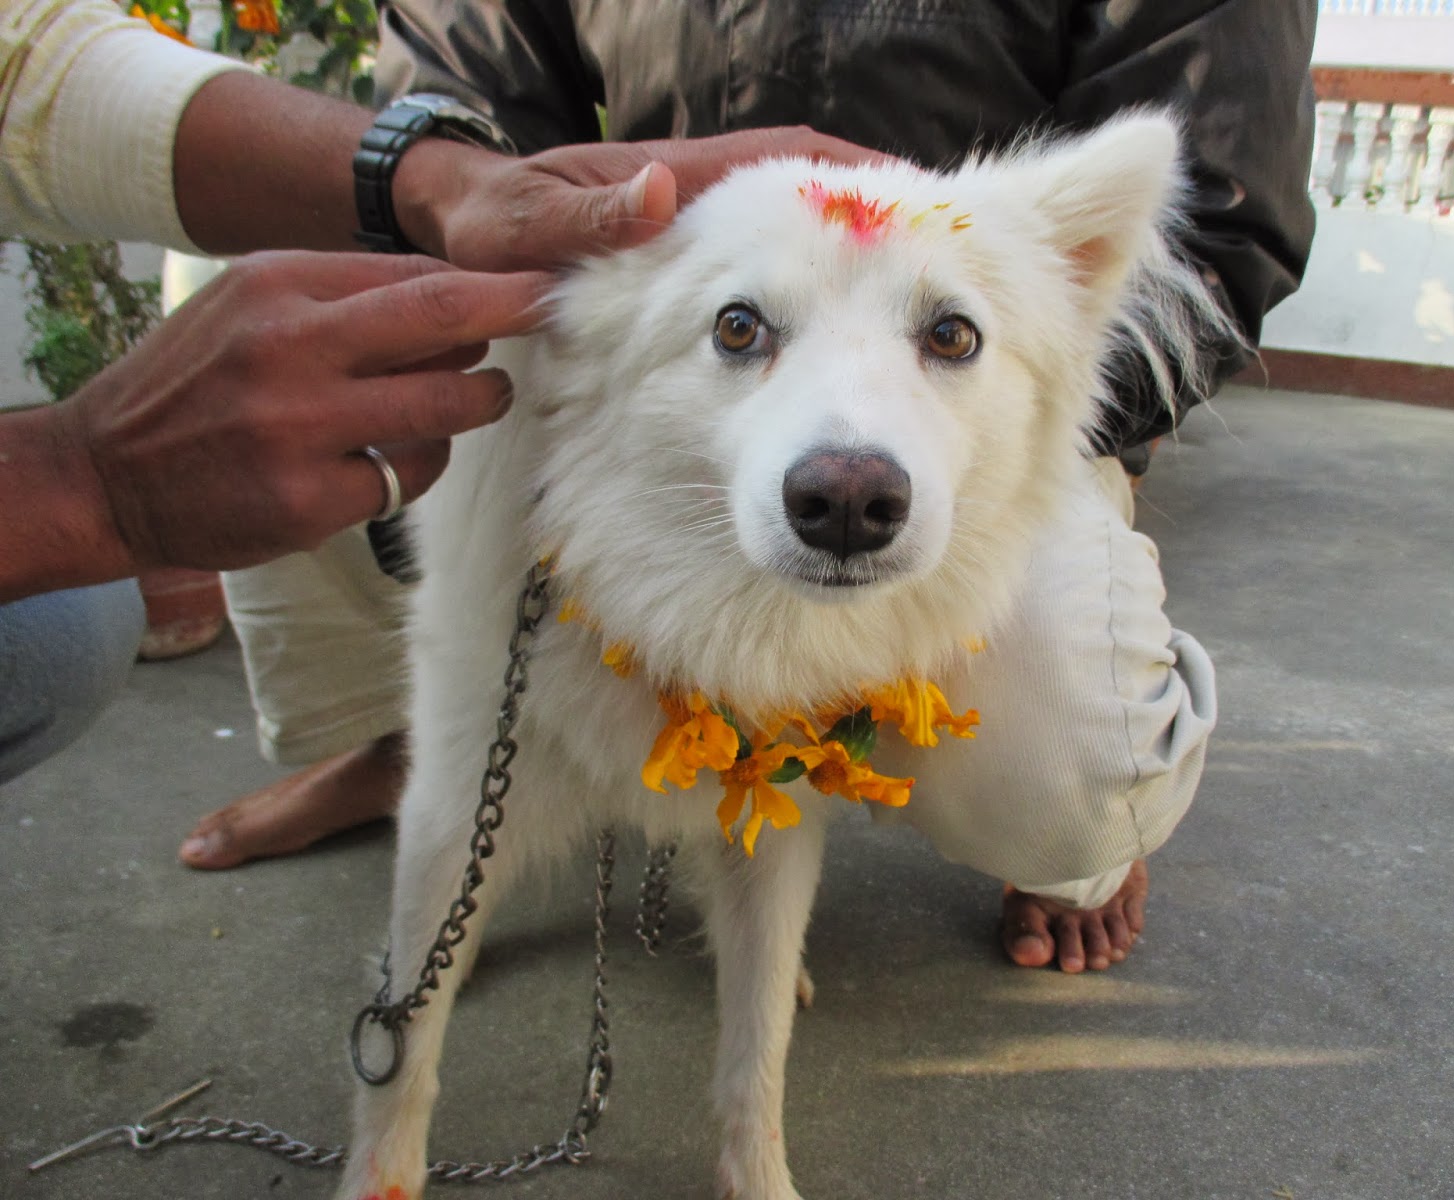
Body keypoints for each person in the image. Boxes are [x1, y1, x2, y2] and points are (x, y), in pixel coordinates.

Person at [193, 1, 1317, 974]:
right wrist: (550, 234)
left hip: (982, 385)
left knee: (1064, 775)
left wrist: (993, 383)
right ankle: (410, 728)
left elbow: (1219, 221)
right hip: (673, 318)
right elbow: (462, 79)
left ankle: (1073, 840)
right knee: (282, 320)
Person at [0, 0, 876, 782]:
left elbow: (23, 60)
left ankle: (1007, 828)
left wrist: (436, 183)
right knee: (65, 634)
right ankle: (386, 739)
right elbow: (463, 37)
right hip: (637, 292)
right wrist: (85, 483)